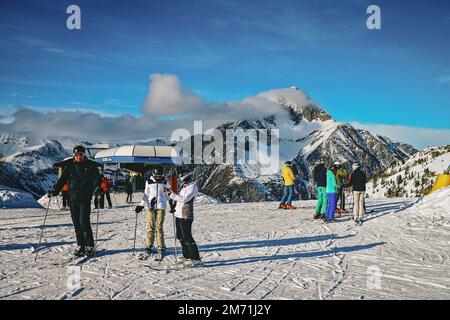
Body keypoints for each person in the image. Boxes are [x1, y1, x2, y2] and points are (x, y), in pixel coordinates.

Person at [48, 145, 101, 257]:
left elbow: (98, 179)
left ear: (84, 155)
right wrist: (55, 190)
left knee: (84, 222)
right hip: (72, 198)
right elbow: (62, 180)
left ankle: (89, 246)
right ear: (74, 155)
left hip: (85, 198)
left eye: (81, 154)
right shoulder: (70, 166)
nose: (78, 157)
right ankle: (80, 245)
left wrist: (97, 188)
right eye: (76, 155)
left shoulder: (91, 166)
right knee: (76, 223)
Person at [164, 171, 202, 267]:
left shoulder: (192, 187)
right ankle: (187, 256)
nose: (180, 180)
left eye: (182, 178)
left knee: (187, 237)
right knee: (180, 236)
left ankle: (196, 259)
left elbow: (185, 199)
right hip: (179, 214)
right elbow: (179, 198)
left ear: (187, 178)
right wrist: (172, 202)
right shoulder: (184, 187)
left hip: (186, 214)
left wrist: (171, 194)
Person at [135, 168, 169, 255]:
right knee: (150, 227)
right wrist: (141, 205)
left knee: (159, 227)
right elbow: (146, 195)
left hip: (161, 206)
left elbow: (168, 193)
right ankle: (148, 245)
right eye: (156, 176)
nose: (158, 178)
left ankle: (161, 245)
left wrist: (172, 202)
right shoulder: (149, 181)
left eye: (160, 176)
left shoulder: (165, 182)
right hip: (150, 206)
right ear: (153, 175)